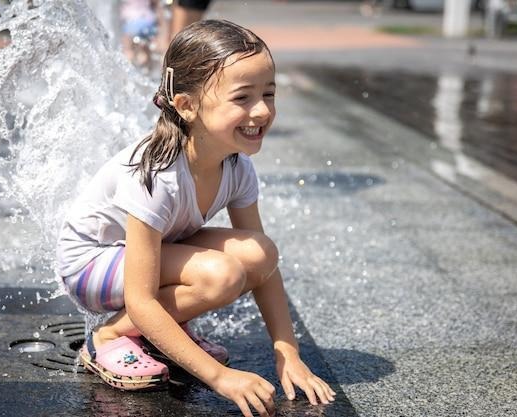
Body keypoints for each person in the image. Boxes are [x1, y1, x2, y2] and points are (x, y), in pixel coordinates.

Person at [56, 19, 336, 417]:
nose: (261, 110)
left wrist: (287, 353)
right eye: (242, 97)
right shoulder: (157, 174)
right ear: (187, 106)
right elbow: (140, 296)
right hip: (90, 264)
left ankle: (157, 335)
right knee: (219, 275)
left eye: (268, 94)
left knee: (259, 254)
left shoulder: (235, 165)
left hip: (143, 257)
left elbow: (264, 268)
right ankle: (109, 336)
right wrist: (219, 377)